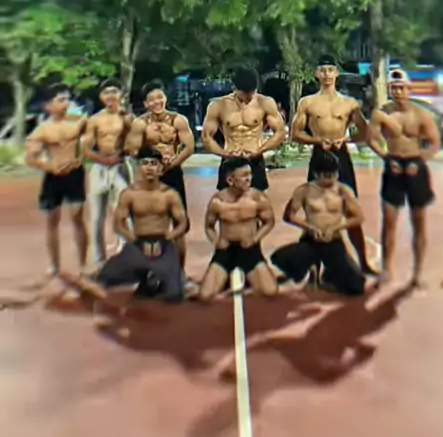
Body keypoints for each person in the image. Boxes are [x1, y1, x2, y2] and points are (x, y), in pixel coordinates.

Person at [291, 54, 378, 275]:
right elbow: (295, 134)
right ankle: (313, 270)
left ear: (337, 73)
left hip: (341, 155)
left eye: (331, 70)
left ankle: (364, 263)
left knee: (350, 208)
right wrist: (317, 140)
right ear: (316, 74)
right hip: (319, 155)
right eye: (323, 70)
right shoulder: (307, 102)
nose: (327, 74)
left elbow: (365, 132)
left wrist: (346, 139)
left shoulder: (349, 103)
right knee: (313, 210)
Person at [81, 148, 187, 303]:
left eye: (153, 163)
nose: (149, 168)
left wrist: (167, 238)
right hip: (138, 242)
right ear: (138, 167)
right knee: (105, 278)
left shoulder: (170, 194)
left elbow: (182, 223)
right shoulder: (129, 194)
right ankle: (146, 276)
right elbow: (118, 224)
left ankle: (156, 278)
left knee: (174, 295)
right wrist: (134, 240)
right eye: (145, 163)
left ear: (160, 168)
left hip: (163, 244)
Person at [368, 69, 441, 287]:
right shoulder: (381, 114)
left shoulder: (421, 114)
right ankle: (387, 269)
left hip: (415, 165)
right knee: (389, 221)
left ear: (409, 89)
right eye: (394, 88)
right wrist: (385, 157)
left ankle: (417, 273)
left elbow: (434, 142)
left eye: (401, 88)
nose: (398, 91)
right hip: (393, 165)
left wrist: (420, 161)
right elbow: (371, 140)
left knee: (418, 222)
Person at [271, 151, 365, 296]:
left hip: (333, 241)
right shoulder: (304, 190)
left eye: (333, 174)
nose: (330, 179)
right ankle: (309, 267)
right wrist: (310, 228)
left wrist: (335, 227)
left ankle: (329, 275)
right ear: (316, 174)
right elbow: (289, 216)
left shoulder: (343, 190)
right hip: (310, 240)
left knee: (356, 286)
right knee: (280, 257)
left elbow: (358, 218)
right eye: (326, 175)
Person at [125, 80, 194, 270]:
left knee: (179, 224)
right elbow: (133, 150)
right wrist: (151, 163)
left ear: (165, 98)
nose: (157, 102)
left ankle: (179, 272)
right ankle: (150, 271)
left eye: (159, 97)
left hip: (173, 173)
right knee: (148, 224)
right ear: (146, 103)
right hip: (150, 177)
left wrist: (174, 162)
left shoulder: (178, 120)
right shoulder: (140, 124)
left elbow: (189, 147)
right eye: (152, 99)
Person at [25, 83, 88, 278]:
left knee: (77, 217)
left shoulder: (79, 122)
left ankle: (83, 265)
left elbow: (96, 137)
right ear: (48, 105)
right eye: (61, 100)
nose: (66, 103)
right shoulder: (42, 130)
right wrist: (49, 166)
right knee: (52, 220)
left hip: (75, 173)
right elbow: (31, 158)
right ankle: (54, 265)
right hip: (54, 177)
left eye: (67, 99)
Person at [199, 157, 278, 300]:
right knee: (205, 295)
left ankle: (247, 275)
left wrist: (255, 239)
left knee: (270, 291)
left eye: (250, 174)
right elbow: (209, 227)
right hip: (226, 250)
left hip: (248, 249)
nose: (249, 179)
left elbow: (269, 222)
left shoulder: (258, 198)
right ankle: (227, 277)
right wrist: (216, 242)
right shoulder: (217, 201)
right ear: (230, 180)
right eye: (244, 175)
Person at [202, 66, 286, 192]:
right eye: (245, 94)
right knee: (226, 201)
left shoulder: (265, 103)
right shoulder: (219, 105)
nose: (249, 98)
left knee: (258, 201)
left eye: (252, 93)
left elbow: (280, 132)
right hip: (230, 160)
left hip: (255, 159)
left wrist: (259, 150)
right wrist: (224, 153)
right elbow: (206, 137)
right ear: (235, 88)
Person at [84, 79, 134, 270]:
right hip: (99, 167)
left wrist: (121, 153)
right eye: (106, 92)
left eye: (114, 91)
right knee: (96, 217)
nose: (111, 96)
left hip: (121, 165)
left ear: (120, 94)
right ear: (101, 97)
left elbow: (134, 144)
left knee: (124, 213)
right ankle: (99, 261)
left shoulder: (128, 118)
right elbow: (86, 148)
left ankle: (127, 257)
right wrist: (102, 160)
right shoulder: (95, 120)